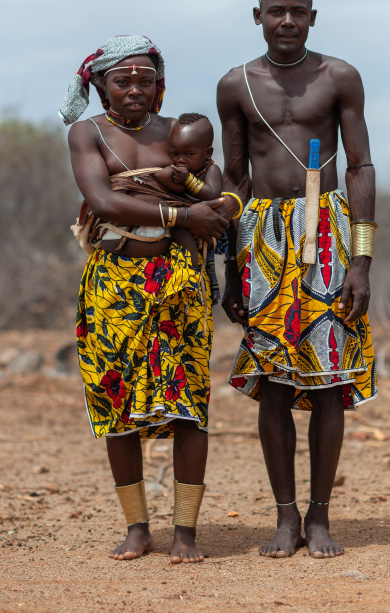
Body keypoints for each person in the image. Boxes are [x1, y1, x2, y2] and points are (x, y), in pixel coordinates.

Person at [217, 0, 377, 560]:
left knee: (330, 383)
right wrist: (230, 265)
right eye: (276, 11)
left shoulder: (339, 77)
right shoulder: (236, 85)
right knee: (276, 384)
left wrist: (360, 260)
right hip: (261, 238)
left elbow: (359, 165)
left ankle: (320, 516)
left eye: (298, 12)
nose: (287, 21)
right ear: (257, 16)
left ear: (314, 17)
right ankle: (286, 517)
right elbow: (233, 179)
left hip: (329, 231)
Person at [61, 34, 229, 564]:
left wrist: (211, 200)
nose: (135, 89)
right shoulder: (86, 133)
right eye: (122, 80)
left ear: (159, 84)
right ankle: (137, 527)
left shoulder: (179, 131)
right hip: (113, 283)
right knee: (115, 403)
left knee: (189, 406)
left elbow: (219, 187)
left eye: (145, 79)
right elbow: (102, 198)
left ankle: (185, 532)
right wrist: (182, 213)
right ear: (100, 84)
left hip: (179, 281)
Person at [154, 112, 223, 266]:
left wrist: (188, 180)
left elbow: (213, 195)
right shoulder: (177, 170)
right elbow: (159, 176)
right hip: (182, 221)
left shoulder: (211, 170)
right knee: (178, 229)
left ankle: (193, 269)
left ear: (207, 153)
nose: (180, 159)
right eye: (175, 153)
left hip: (205, 227)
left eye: (189, 154)